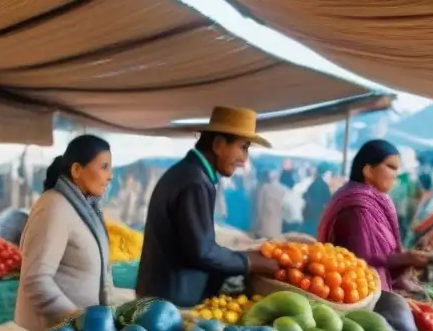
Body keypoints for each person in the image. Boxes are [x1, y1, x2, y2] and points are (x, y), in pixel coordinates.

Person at [136, 107, 277, 306]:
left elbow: (195, 244)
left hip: (163, 295)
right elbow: (201, 252)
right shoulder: (195, 182)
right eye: (243, 147)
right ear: (219, 144)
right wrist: (249, 261)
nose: (244, 160)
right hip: (170, 302)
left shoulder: (189, 173)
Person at [14, 135, 114, 331]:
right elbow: (36, 280)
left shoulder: (86, 209)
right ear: (77, 170)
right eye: (104, 167)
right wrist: (78, 318)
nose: (110, 175)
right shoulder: (54, 207)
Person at [317, 139, 433, 291]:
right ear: (368, 170)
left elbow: (382, 252)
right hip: (354, 289)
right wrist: (409, 257)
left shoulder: (375, 200)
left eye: (397, 169)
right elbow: (362, 260)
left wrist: (409, 257)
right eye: (391, 167)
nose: (395, 175)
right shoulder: (358, 206)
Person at [252, 170, 285, 239]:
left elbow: (259, 207)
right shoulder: (283, 189)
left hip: (265, 226)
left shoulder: (265, 188)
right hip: (276, 227)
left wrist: (257, 222)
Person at [302, 166, 332, 236]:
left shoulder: (313, 184)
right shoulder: (324, 186)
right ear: (325, 173)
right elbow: (328, 202)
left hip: (309, 215)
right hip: (317, 216)